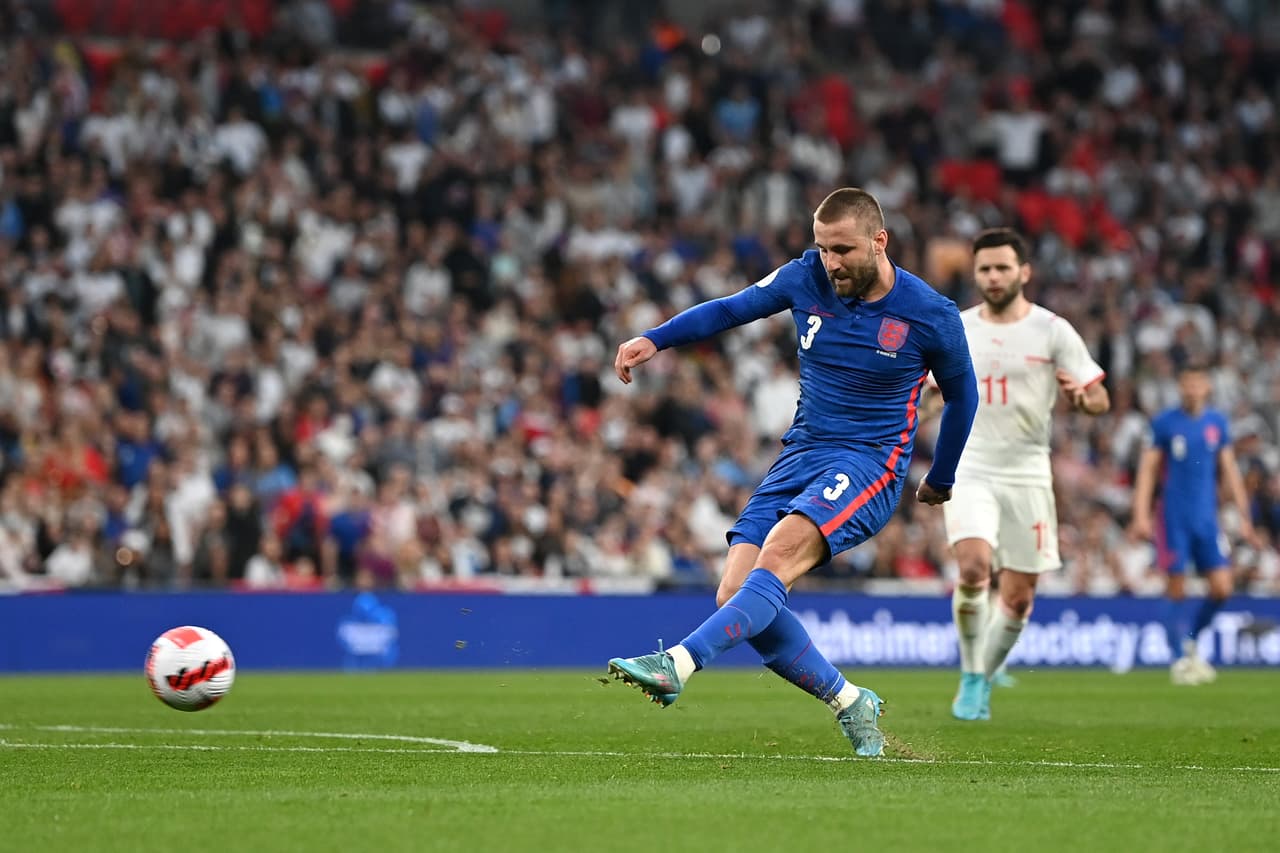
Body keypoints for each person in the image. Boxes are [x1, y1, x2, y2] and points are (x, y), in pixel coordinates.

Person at [606, 187, 979, 757]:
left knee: (777, 556)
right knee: (734, 590)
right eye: (823, 248)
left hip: (869, 462)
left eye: (843, 250)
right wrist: (656, 339)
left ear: (880, 241)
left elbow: (963, 396)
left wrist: (943, 475)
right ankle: (851, 701)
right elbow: (731, 308)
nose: (830, 263)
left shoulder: (930, 313)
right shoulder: (804, 276)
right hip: (800, 454)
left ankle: (676, 663)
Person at [937, 228, 1110, 722]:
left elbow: (1100, 394)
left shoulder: (1052, 330)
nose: (993, 277)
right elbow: (931, 393)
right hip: (970, 466)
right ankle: (971, 676)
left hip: (1029, 473)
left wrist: (1084, 400)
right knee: (972, 567)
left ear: (1024, 272)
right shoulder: (958, 327)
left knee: (1018, 595)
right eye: (985, 269)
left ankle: (984, 676)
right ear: (975, 274)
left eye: (1002, 268)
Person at [1129, 362, 1262, 685]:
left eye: (1198, 383)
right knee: (1176, 589)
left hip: (1207, 519)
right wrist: (1140, 515)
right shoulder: (1164, 423)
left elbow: (1229, 470)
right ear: (1180, 386)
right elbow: (1148, 470)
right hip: (1173, 517)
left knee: (1222, 588)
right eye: (1187, 383)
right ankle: (1178, 661)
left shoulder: (1217, 423)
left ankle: (1189, 642)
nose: (1192, 389)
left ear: (1207, 387)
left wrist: (1245, 518)